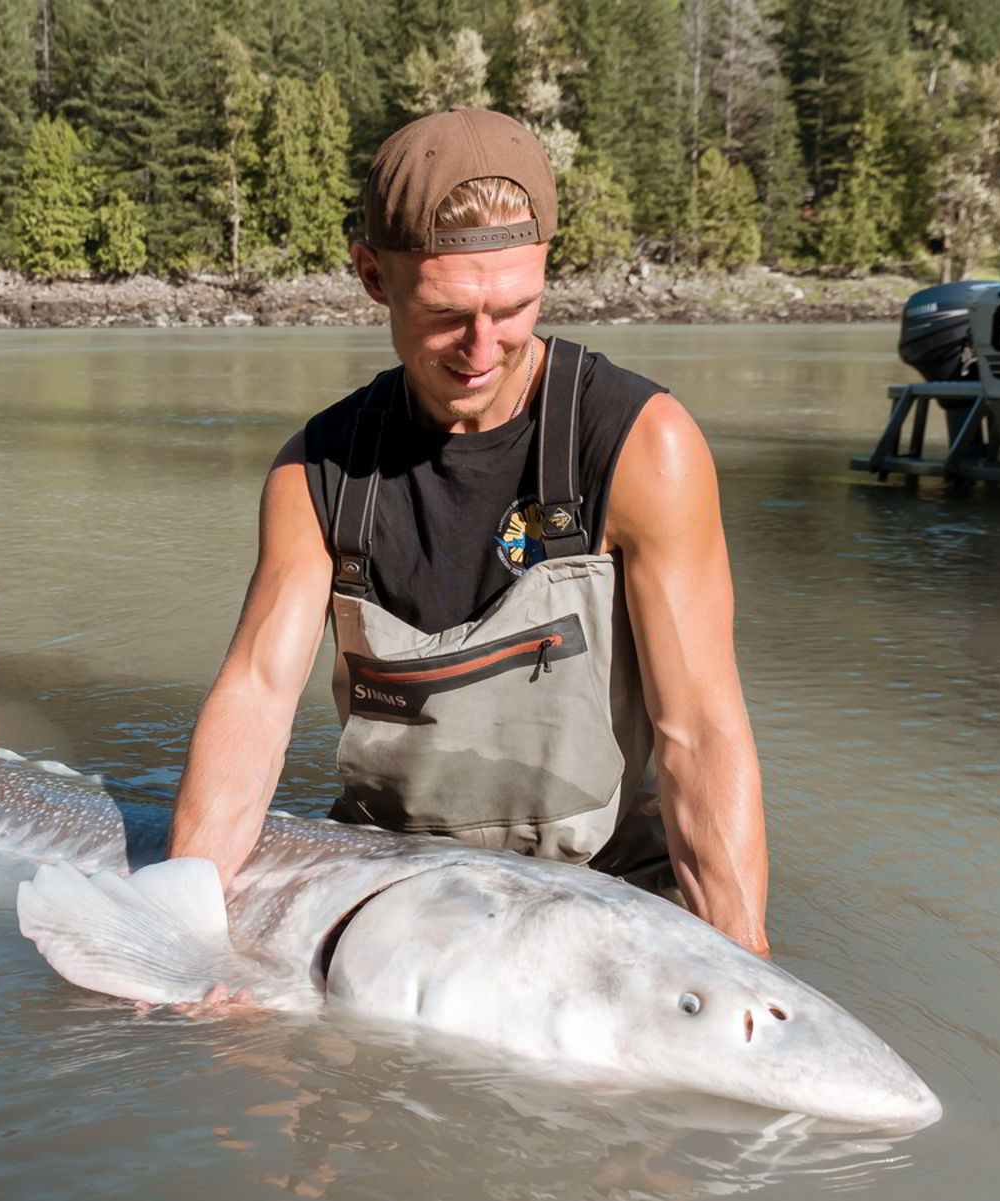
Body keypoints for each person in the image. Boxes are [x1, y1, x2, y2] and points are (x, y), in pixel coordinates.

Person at [168, 107, 769, 958]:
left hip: (600, 895)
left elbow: (699, 732)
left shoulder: (643, 445)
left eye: (515, 306)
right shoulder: (317, 469)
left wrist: (745, 958)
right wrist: (178, 927)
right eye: (447, 314)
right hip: (396, 893)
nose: (483, 348)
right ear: (373, 277)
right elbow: (256, 704)